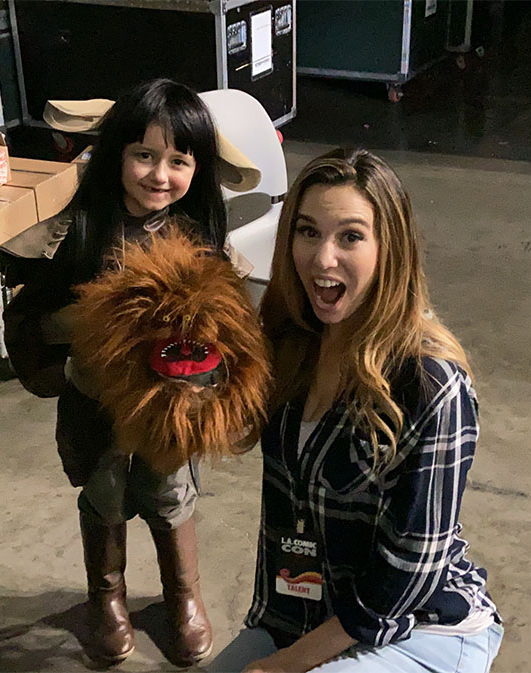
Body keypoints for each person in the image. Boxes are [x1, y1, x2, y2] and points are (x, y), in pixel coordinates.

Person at [209, 148, 502, 673]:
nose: (323, 259)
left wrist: (285, 664)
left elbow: (405, 574)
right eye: (307, 231)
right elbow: (218, 429)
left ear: (391, 248)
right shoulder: (289, 344)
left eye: (350, 236)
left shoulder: (431, 385)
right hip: (303, 613)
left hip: (417, 624)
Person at [4, 78, 227, 668]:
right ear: (118, 155)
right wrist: (66, 326)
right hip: (95, 398)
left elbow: (229, 327)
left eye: (178, 161)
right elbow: (28, 316)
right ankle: (107, 599)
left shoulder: (197, 235)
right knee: (103, 494)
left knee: (170, 492)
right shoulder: (76, 232)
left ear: (196, 170)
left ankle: (184, 596)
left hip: (170, 403)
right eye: (144, 154)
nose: (159, 175)